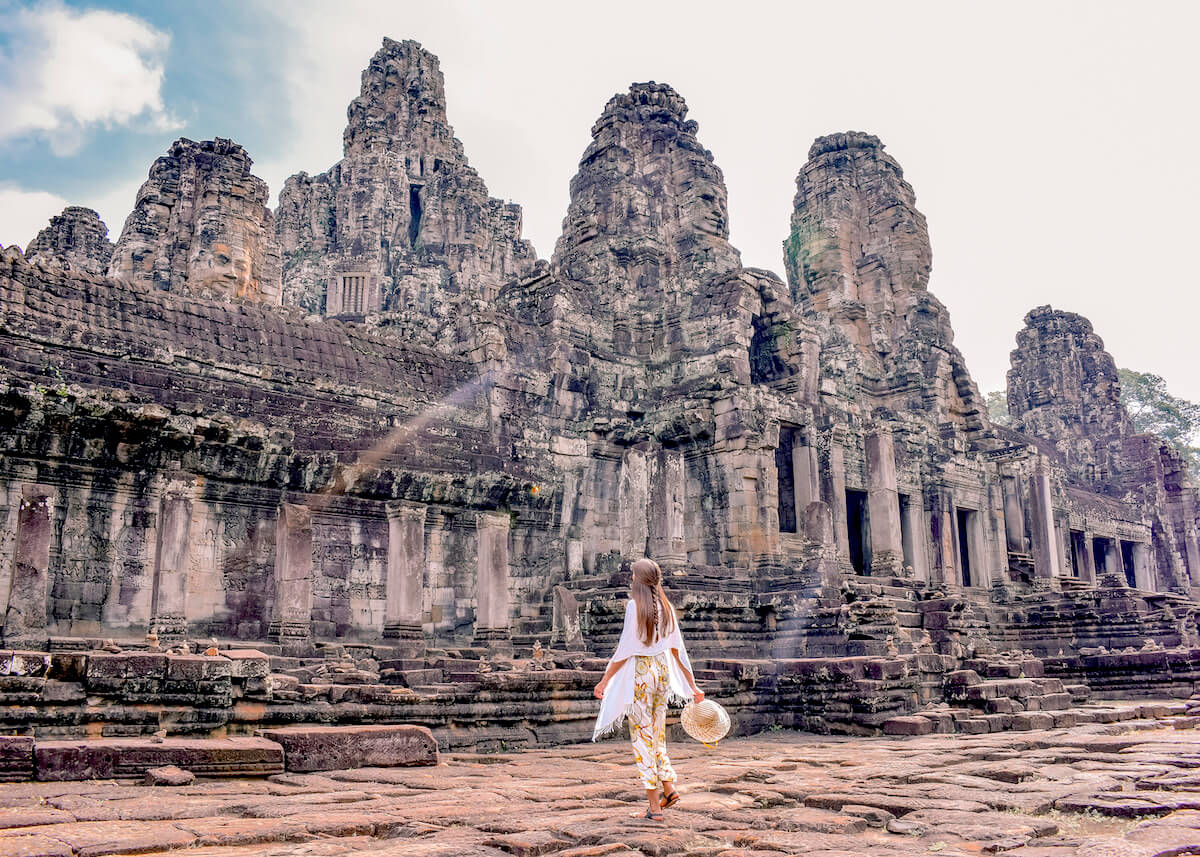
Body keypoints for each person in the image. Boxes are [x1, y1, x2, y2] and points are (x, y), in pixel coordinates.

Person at [592, 557, 704, 821]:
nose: (630, 579)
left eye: (632, 576)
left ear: (638, 580)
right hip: (662, 672)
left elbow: (624, 650)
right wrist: (692, 684)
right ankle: (669, 789)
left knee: (643, 738)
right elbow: (678, 652)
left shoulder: (634, 607)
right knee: (657, 735)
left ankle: (654, 807)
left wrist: (605, 679)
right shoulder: (667, 607)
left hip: (641, 675)